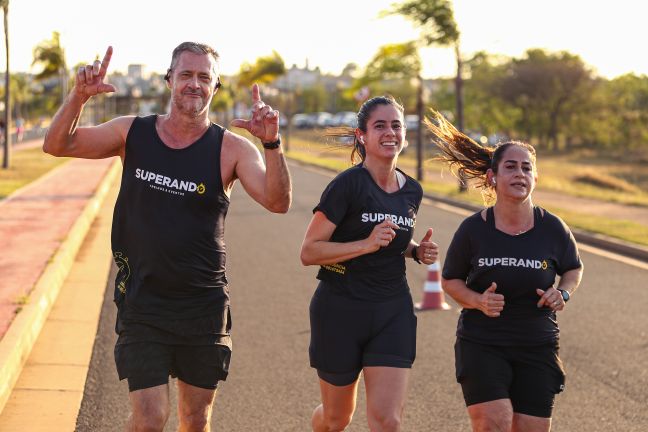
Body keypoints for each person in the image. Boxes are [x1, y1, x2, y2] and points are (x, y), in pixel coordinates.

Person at [43, 42, 292, 432]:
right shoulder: (132, 133)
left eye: (204, 78)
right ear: (169, 80)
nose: (195, 84)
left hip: (203, 307)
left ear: (215, 87)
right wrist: (78, 97)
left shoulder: (233, 149)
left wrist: (272, 144)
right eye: (186, 75)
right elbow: (58, 145)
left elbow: (277, 202)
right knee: (150, 418)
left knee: (195, 420)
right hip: (143, 300)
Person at [425, 112, 584, 432]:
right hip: (483, 342)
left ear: (535, 178)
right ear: (491, 177)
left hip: (536, 344)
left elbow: (573, 268)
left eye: (527, 167)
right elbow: (450, 280)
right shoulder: (473, 230)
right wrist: (477, 300)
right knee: (493, 422)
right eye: (510, 166)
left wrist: (562, 292)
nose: (519, 173)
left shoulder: (553, 228)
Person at [300, 96, 438, 431]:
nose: (390, 132)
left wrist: (416, 250)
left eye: (396, 125)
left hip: (392, 310)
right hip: (340, 310)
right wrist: (365, 244)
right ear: (362, 135)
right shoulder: (347, 185)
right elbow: (310, 251)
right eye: (380, 126)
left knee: (387, 421)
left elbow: (392, 239)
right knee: (336, 419)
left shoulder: (412, 191)